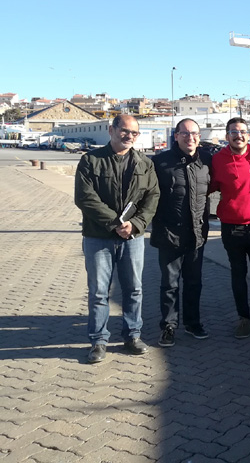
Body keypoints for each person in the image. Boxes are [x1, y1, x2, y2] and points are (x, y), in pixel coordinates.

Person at [74, 114, 159, 364]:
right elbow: (85, 197)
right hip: (98, 237)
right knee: (99, 292)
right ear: (111, 130)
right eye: (124, 131)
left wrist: (136, 224)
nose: (129, 136)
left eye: (134, 133)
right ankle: (99, 341)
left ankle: (132, 335)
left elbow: (152, 197)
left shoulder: (145, 163)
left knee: (134, 289)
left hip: (132, 237)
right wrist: (115, 223)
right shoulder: (91, 160)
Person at [211, 117, 250, 338]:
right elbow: (205, 187)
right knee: (238, 274)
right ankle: (243, 318)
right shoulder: (217, 160)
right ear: (226, 135)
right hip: (232, 227)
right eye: (233, 132)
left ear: (248, 135)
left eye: (242, 131)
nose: (238, 135)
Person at [150, 118, 212, 347]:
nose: (190, 138)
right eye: (185, 133)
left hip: (197, 234)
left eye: (194, 133)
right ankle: (168, 326)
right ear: (175, 136)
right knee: (169, 285)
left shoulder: (206, 160)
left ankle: (193, 323)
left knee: (194, 282)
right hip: (169, 234)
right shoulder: (160, 162)